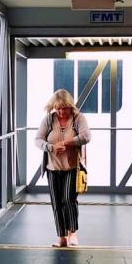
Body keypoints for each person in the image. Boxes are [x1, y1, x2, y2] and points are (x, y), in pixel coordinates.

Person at [35, 89, 92, 247]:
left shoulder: (78, 118)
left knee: (69, 200)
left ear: (70, 106)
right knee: (56, 202)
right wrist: (51, 147)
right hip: (52, 168)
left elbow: (86, 136)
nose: (61, 112)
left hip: (72, 167)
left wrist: (66, 143)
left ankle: (72, 233)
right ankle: (61, 237)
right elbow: (38, 140)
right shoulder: (48, 120)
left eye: (64, 108)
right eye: (57, 108)